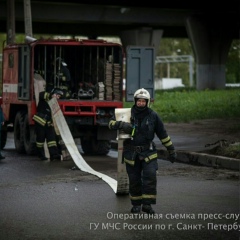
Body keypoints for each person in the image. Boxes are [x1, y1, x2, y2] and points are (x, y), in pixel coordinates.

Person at [108, 88, 177, 214]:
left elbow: (163, 134)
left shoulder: (153, 116)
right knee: (134, 180)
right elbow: (110, 123)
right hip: (131, 153)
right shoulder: (127, 113)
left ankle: (147, 205)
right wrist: (122, 125)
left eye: (143, 101)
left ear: (147, 102)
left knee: (150, 177)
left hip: (148, 153)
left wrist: (171, 150)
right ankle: (136, 205)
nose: (140, 103)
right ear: (135, 101)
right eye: (138, 101)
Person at [33, 88, 64, 161]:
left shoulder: (54, 103)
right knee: (40, 141)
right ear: (54, 94)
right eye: (58, 96)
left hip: (48, 123)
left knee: (52, 140)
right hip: (40, 123)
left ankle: (54, 155)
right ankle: (41, 155)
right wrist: (51, 95)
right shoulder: (44, 97)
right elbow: (41, 94)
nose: (58, 98)